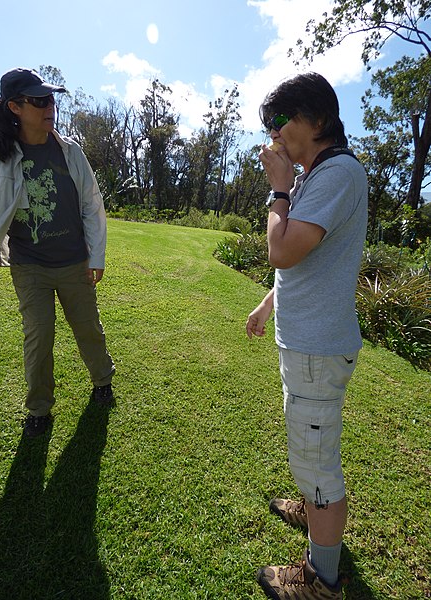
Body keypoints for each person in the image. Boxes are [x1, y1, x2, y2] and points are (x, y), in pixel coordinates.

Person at [246, 72, 368, 599]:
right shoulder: (314, 177)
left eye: (280, 122)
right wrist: (269, 302)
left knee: (319, 464)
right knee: (309, 447)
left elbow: (282, 249)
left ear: (317, 119)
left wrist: (277, 191)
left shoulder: (337, 173)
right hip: (307, 343)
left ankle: (322, 581)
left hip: (317, 349)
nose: (272, 135)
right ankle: (313, 505)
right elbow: (302, 264)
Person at [0, 68, 115, 437]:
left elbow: (91, 203)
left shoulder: (70, 151)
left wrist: (96, 255)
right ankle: (39, 409)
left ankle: (103, 380)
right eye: (38, 101)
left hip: (74, 262)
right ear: (14, 107)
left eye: (50, 99)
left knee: (88, 330)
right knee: (38, 338)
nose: (48, 107)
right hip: (30, 267)